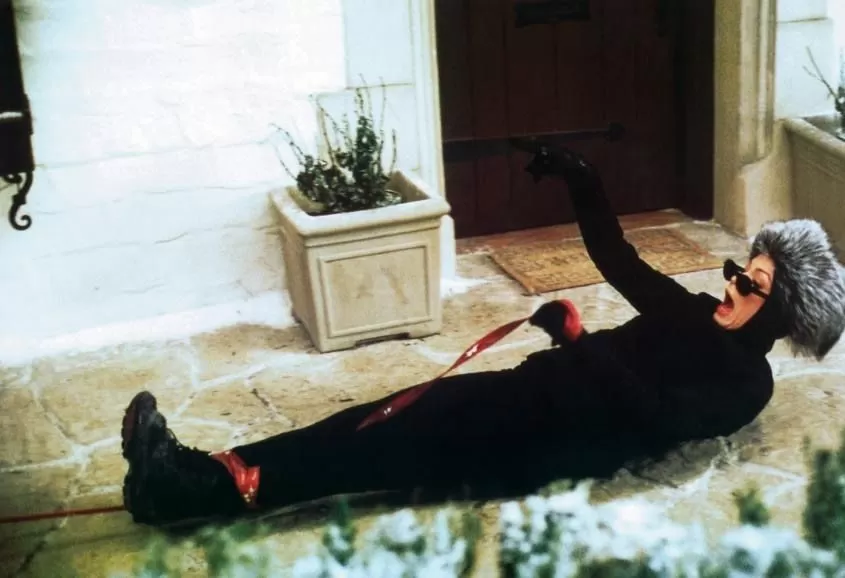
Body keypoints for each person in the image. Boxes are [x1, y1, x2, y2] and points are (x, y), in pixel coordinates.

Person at [120, 145, 845, 526]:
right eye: (736, 269)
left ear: (779, 313)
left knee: (369, 454)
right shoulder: (694, 311)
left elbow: (654, 416)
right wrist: (582, 179)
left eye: (750, 284)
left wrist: (577, 345)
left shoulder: (744, 385)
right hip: (525, 395)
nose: (730, 284)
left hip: (541, 445)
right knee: (372, 418)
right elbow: (619, 260)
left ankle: (191, 495)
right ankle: (200, 471)